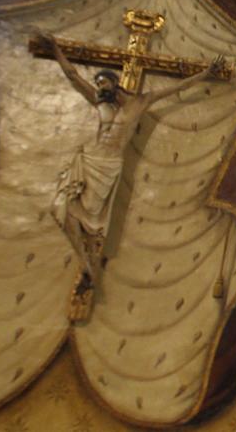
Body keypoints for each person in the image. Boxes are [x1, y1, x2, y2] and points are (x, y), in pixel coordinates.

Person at [39, 33, 226, 320]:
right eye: (99, 85)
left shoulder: (141, 102)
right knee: (59, 209)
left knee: (93, 228)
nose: (100, 89)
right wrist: (55, 49)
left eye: (104, 84)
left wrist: (207, 73)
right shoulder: (100, 101)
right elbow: (73, 77)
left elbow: (179, 88)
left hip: (110, 166)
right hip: (88, 160)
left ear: (116, 84)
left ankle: (89, 269)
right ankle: (88, 268)